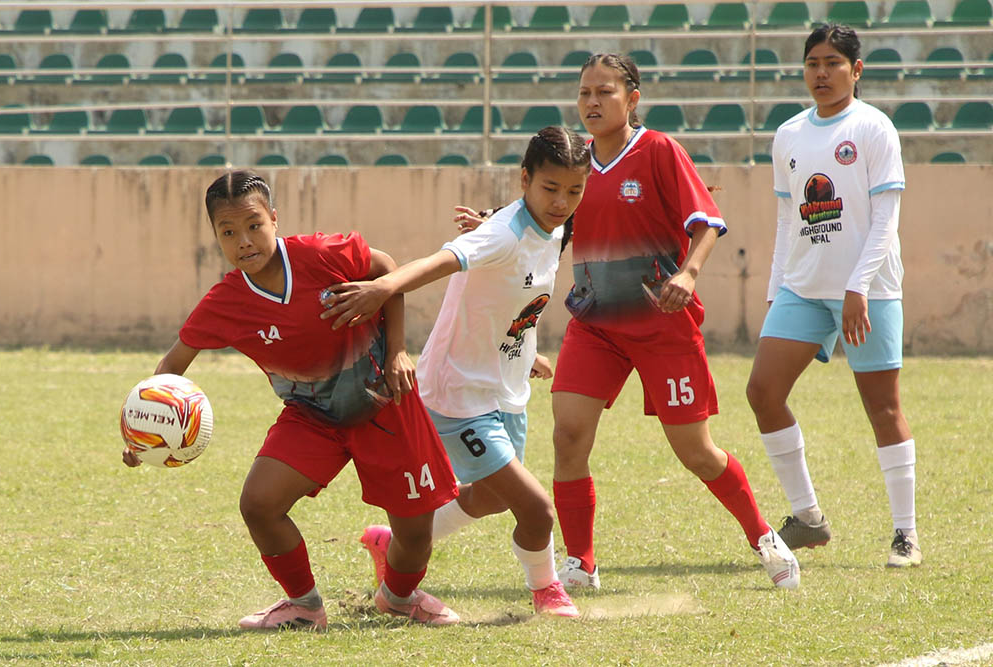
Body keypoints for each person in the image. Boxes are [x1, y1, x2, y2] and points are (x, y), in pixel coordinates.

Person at [457, 54, 799, 591]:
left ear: (632, 99)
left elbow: (708, 222)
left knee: (696, 453)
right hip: (595, 324)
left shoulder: (659, 151)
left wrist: (688, 273)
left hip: (663, 326)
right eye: (584, 93)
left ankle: (764, 538)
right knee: (568, 435)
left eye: (605, 92)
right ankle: (581, 563)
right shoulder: (576, 163)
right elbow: (544, 220)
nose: (592, 102)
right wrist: (495, 224)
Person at [121, 170, 462, 630]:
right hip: (312, 417)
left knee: (416, 531)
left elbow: (385, 271)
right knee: (258, 504)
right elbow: (172, 364)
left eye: (254, 225)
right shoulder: (226, 301)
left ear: (274, 219)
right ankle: (304, 606)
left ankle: (399, 598)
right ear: (216, 236)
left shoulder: (322, 254)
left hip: (386, 402)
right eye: (228, 232)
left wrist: (399, 347)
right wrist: (144, 431)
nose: (244, 240)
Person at [321, 126, 590, 617]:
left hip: (504, 391)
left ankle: (391, 544)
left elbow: (514, 299)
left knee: (489, 497)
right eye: (550, 189)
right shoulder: (501, 235)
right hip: (460, 394)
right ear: (525, 178)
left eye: (574, 190)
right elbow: (439, 262)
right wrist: (382, 290)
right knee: (536, 509)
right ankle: (547, 591)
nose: (561, 201)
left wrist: (525, 352)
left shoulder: (555, 229)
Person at [746, 25, 921, 567]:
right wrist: (776, 293)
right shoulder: (790, 134)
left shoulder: (873, 128)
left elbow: (886, 219)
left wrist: (858, 286)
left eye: (833, 63)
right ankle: (809, 519)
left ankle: (905, 535)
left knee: (883, 407)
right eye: (812, 62)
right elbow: (786, 220)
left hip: (868, 291)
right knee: (762, 392)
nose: (821, 72)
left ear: (856, 70)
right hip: (803, 287)